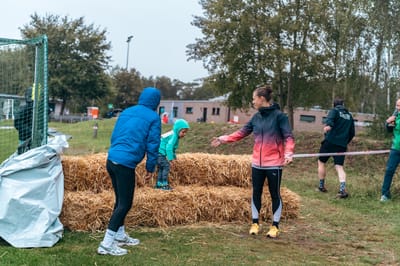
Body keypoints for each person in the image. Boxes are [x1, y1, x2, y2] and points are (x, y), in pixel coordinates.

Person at [211, 85, 295, 238]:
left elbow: (288, 137)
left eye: (254, 98)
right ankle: (255, 223)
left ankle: (275, 226)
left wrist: (289, 153)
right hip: (257, 163)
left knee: (274, 194)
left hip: (274, 164)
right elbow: (241, 133)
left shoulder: (280, 117)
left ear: (261, 99)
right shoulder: (256, 118)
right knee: (256, 192)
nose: (253, 101)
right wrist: (222, 139)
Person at [97, 87, 161, 256]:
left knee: (120, 201)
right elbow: (153, 144)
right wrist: (150, 167)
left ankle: (119, 235)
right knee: (125, 204)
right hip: (125, 163)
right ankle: (106, 244)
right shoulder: (153, 117)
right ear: (156, 102)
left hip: (111, 159)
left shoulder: (126, 112)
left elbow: (115, 135)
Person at [317, 97, 355, 199]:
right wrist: (345, 141)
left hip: (329, 142)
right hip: (341, 145)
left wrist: (328, 127)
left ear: (334, 104)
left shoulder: (334, 111)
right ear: (343, 105)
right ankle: (342, 190)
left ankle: (321, 186)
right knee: (339, 167)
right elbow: (352, 133)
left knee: (321, 162)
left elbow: (329, 121)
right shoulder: (349, 116)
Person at [155, 119, 190, 190]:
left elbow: (172, 150)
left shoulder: (173, 134)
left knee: (161, 168)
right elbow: (168, 148)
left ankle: (159, 184)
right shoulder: (174, 136)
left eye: (186, 132)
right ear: (177, 130)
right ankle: (164, 184)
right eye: (183, 132)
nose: (184, 134)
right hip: (160, 153)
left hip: (157, 153)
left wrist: (174, 157)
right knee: (166, 166)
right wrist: (170, 159)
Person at [380, 99, 400, 202]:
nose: (398, 108)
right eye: (397, 105)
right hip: (396, 148)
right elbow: (389, 130)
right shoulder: (395, 116)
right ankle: (385, 195)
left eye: (399, 106)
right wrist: (388, 122)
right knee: (389, 171)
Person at [14, 87, 34, 154]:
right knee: (23, 156)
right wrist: (30, 131)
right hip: (24, 138)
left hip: (33, 138)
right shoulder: (23, 109)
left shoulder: (35, 109)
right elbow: (17, 124)